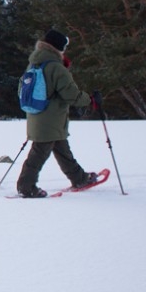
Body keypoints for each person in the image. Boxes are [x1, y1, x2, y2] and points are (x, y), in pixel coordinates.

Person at [16, 29, 100, 198]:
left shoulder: (33, 64)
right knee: (39, 153)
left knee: (62, 149)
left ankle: (79, 178)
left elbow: (21, 90)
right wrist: (89, 100)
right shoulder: (56, 67)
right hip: (51, 117)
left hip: (37, 115)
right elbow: (71, 94)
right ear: (59, 47)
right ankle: (26, 186)